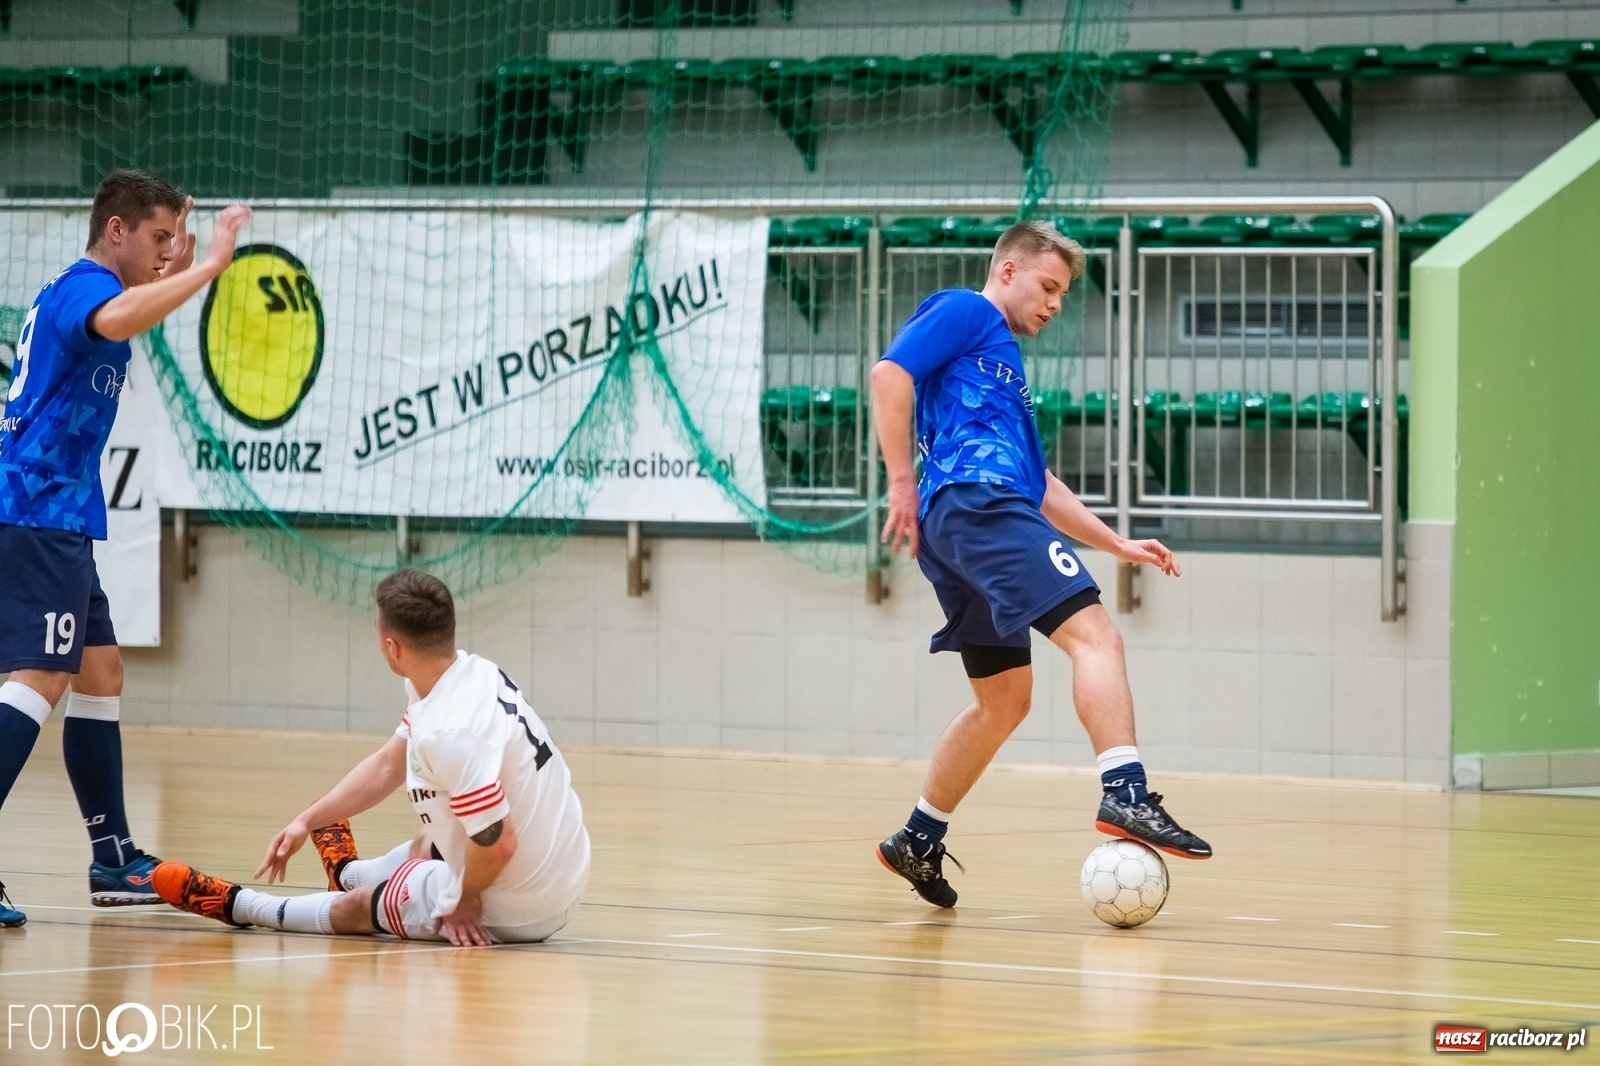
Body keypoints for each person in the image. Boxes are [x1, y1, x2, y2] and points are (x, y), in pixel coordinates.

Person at [871, 220, 1213, 909]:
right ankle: (1125, 795)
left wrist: (1114, 542)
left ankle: (918, 836)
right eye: (1048, 286)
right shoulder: (967, 310)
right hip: (978, 508)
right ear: (1007, 272)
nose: (1055, 303)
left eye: (1063, 293)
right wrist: (900, 479)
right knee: (1097, 638)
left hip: (971, 516)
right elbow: (888, 373)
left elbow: (1040, 482)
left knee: (1004, 700)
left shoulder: (999, 365)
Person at [0, 170, 251, 927]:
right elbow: (114, 321)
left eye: (178, 240)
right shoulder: (84, 290)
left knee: (100, 670)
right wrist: (209, 266)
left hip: (59, 513)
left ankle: (113, 860)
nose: (170, 253)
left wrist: (185, 256)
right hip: (38, 510)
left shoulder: (91, 288)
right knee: (43, 674)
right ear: (116, 231)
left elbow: (133, 311)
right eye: (159, 239)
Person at [153, 569, 590, 946]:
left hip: (519, 905)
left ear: (392, 646)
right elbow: (388, 765)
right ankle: (347, 871)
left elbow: (498, 844)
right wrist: (307, 821)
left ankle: (245, 906)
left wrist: (465, 899)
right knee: (432, 840)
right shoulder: (467, 673)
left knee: (358, 908)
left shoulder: (449, 732)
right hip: (563, 868)